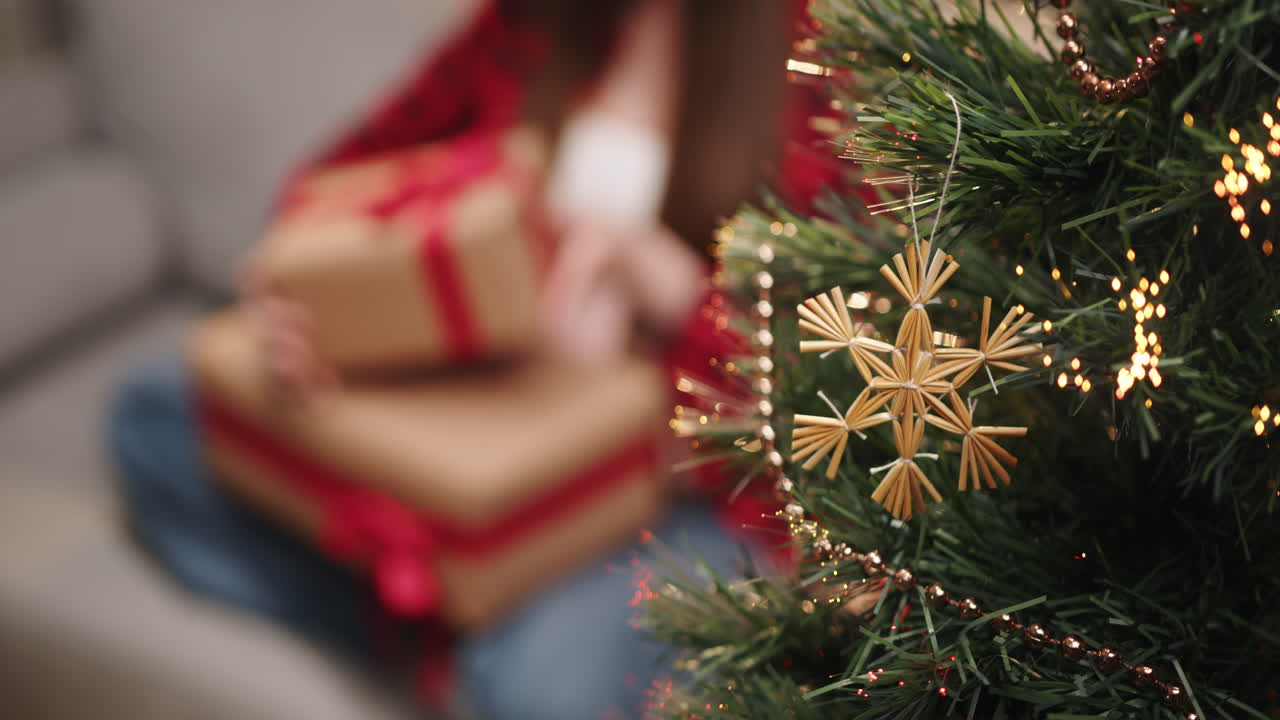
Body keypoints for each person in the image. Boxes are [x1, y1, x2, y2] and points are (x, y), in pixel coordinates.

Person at [108, 1, 815, 717]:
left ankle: (441, 616)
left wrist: (672, 289)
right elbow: (338, 188)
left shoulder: (819, 55)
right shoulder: (529, 22)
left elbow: (837, 387)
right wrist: (304, 297)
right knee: (156, 419)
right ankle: (454, 622)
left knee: (544, 695)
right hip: (475, 437)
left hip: (667, 494)